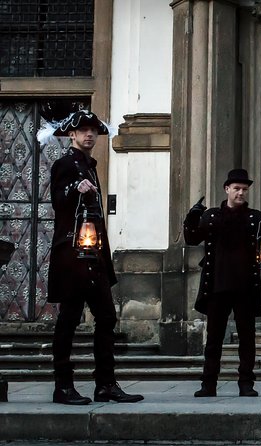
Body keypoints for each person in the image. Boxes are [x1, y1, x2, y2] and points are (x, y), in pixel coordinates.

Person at [47, 110, 143, 405]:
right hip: (74, 256)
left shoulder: (91, 166)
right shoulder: (65, 165)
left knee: (106, 317)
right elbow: (58, 201)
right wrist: (74, 188)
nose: (89, 135)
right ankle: (63, 386)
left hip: (95, 255)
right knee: (69, 318)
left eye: (93, 131)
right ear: (72, 135)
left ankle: (106, 384)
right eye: (83, 131)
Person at [184, 169, 261, 397]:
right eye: (236, 188)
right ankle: (208, 384)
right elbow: (192, 238)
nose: (240, 193)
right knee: (214, 339)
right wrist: (191, 218)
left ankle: (246, 383)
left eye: (244, 189)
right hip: (217, 286)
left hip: (245, 287)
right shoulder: (211, 216)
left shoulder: (255, 218)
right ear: (227, 189)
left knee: (247, 339)